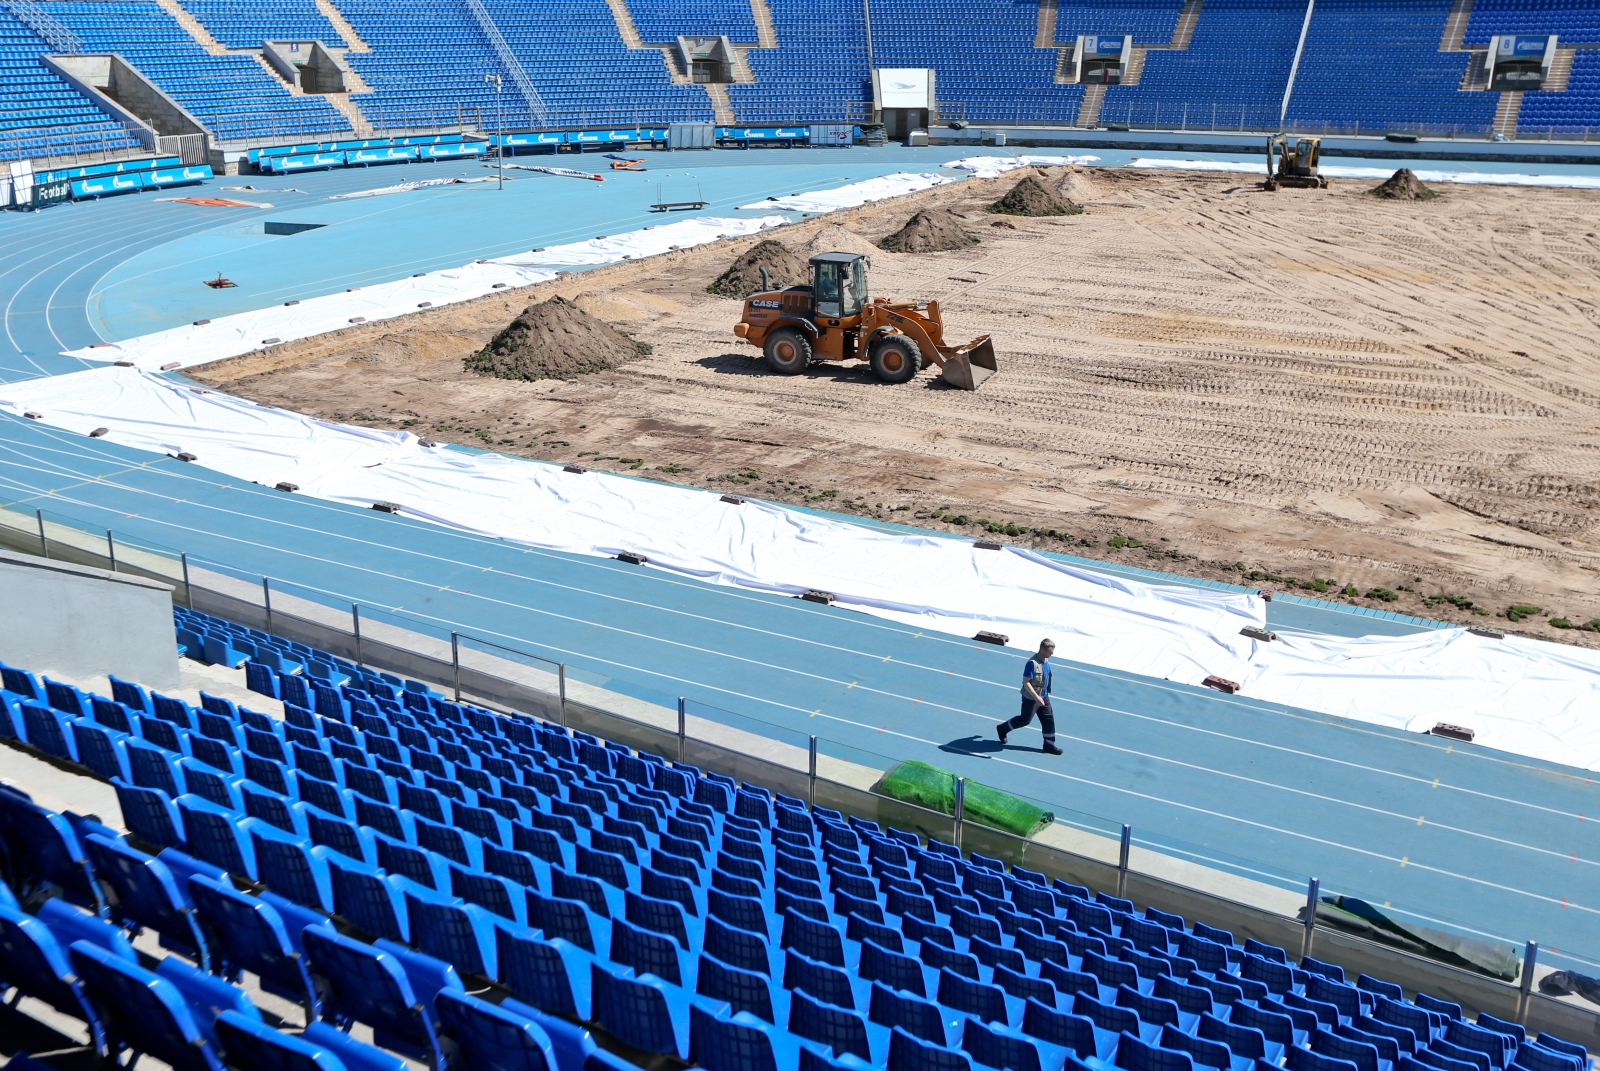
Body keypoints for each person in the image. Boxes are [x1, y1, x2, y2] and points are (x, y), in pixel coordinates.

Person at [997, 639, 1061, 755]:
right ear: (1042, 650)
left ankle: (1049, 744)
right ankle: (1002, 729)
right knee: (1024, 720)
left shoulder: (1045, 660)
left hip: (1044, 696)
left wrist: (1042, 695)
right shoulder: (1032, 664)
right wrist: (1036, 697)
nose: (1052, 654)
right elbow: (1026, 682)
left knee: (1049, 720)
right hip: (1031, 699)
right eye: (1050, 651)